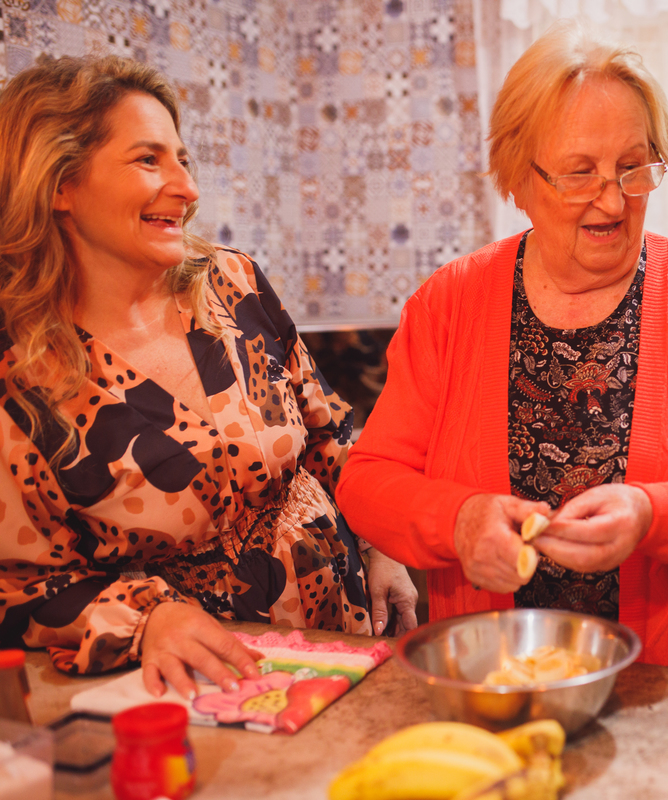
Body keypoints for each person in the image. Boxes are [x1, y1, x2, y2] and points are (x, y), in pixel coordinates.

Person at [337, 22, 668, 673]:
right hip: (496, 678)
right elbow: (369, 483)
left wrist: (655, 514)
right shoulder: (448, 304)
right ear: (518, 179)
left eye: (633, 167)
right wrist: (460, 520)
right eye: (580, 174)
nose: (614, 201)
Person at [0, 55, 418, 699]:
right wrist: (147, 618)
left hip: (340, 627)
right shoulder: (19, 372)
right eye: (148, 160)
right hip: (192, 680)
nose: (187, 188)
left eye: (183, 159)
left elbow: (331, 431)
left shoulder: (233, 284)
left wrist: (384, 543)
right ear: (60, 184)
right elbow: (17, 588)